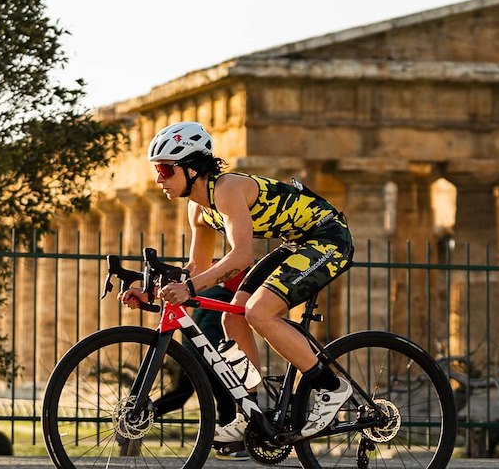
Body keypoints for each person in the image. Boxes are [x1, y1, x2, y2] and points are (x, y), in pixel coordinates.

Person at [120, 121, 355, 449]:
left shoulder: (227, 188)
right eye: (157, 170)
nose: (159, 178)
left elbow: (242, 255)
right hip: (295, 244)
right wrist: (150, 289)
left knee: (259, 312)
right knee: (232, 316)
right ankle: (252, 409)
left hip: (328, 238)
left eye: (165, 169)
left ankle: (331, 387)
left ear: (191, 169)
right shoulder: (198, 209)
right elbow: (197, 269)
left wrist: (189, 288)